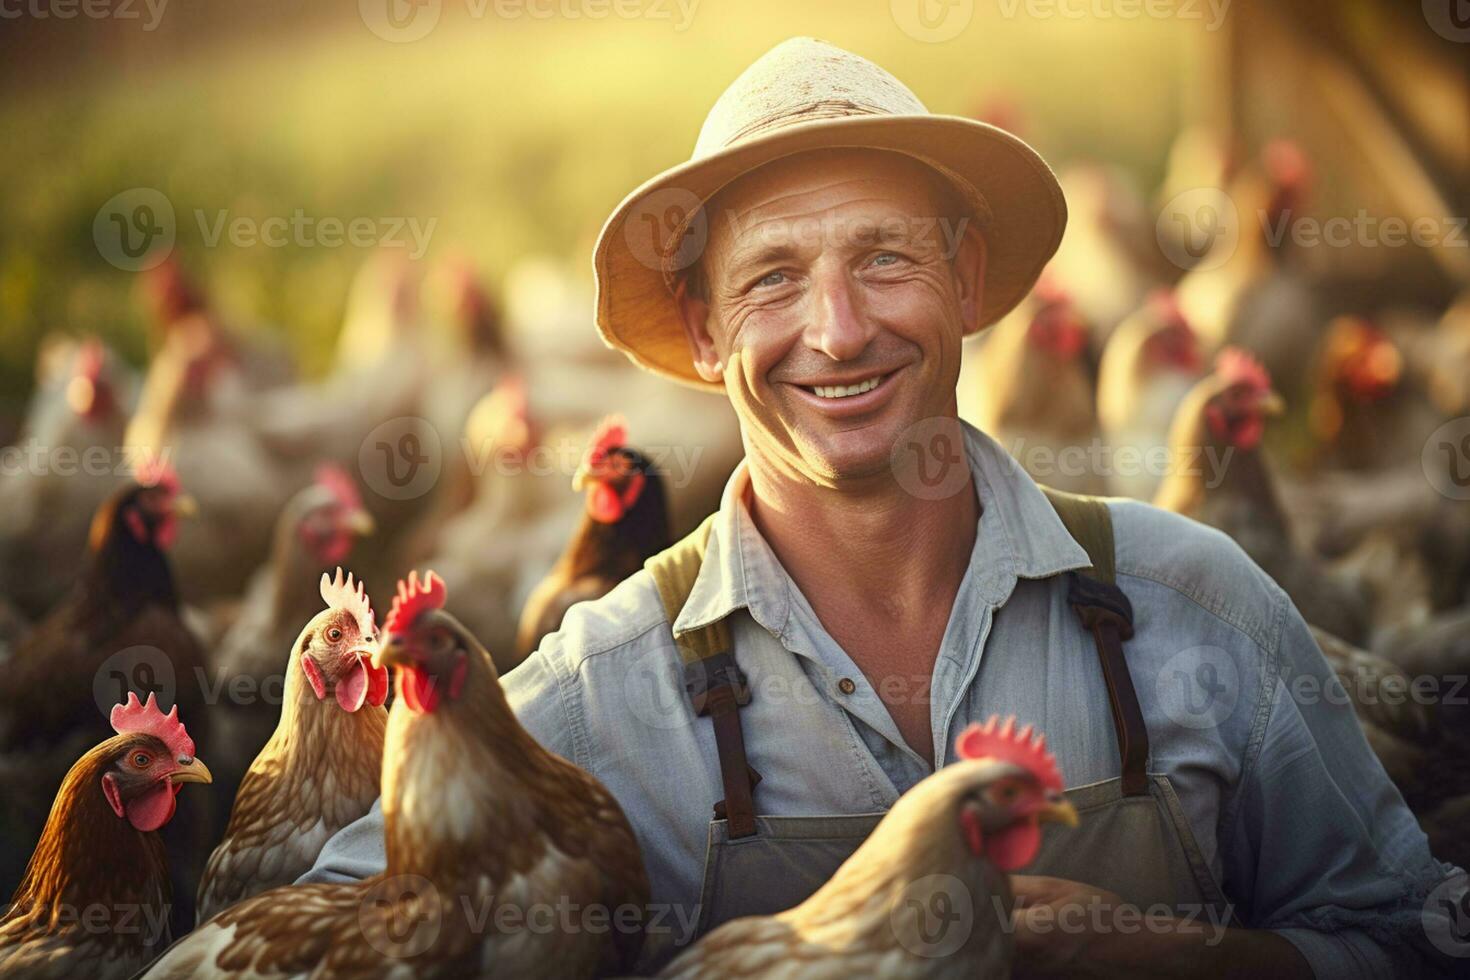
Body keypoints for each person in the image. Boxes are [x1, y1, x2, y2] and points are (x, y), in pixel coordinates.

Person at [303, 37, 1464, 977]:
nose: (841, 329)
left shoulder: (1194, 604)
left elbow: (1414, 936)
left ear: (965, 275)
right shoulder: (603, 693)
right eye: (772, 277)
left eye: (885, 259)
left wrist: (1177, 954)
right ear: (706, 332)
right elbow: (307, 933)